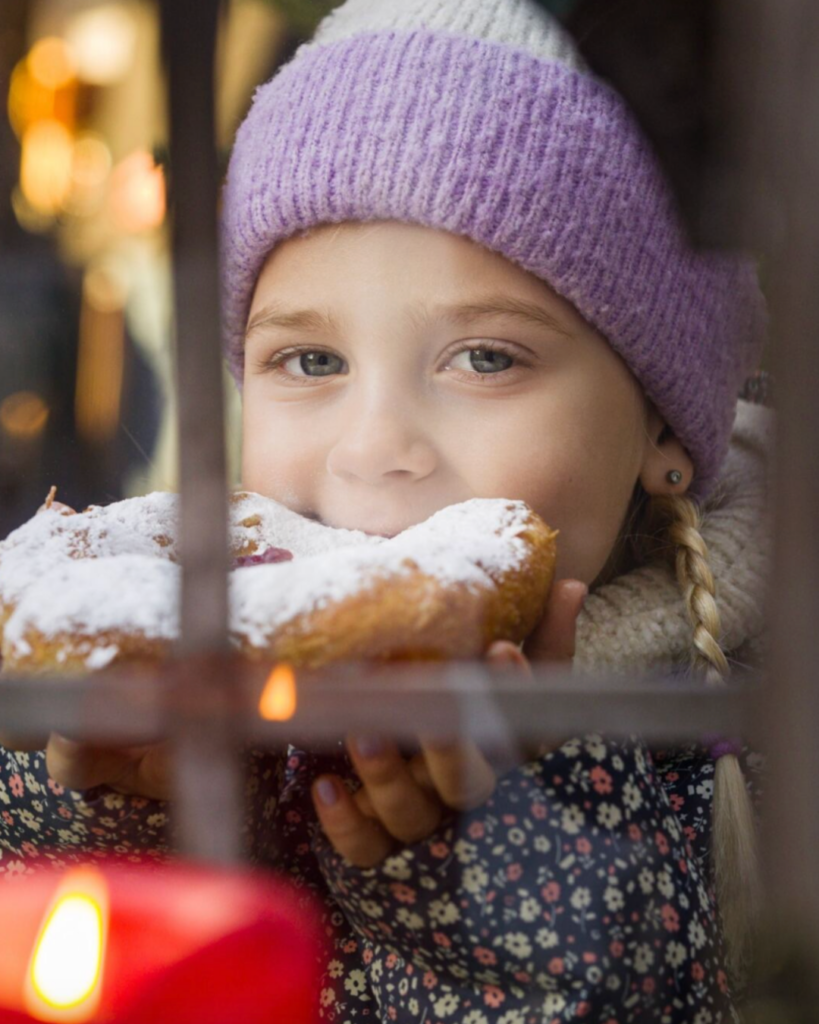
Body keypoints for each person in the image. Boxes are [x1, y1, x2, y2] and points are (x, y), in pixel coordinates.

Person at [0, 0, 773, 1021]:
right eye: (311, 360)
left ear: (665, 429)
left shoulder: (732, 740)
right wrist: (148, 816)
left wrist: (478, 869)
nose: (373, 448)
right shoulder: (192, 645)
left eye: (486, 357)